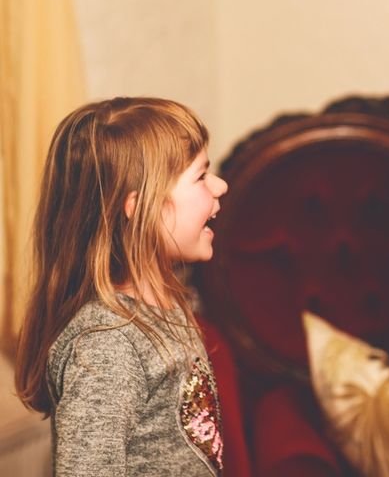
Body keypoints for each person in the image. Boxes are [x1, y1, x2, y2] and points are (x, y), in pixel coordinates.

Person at [15, 97, 229, 476]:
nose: (220, 185)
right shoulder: (108, 344)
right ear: (140, 207)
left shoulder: (167, 304)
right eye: (200, 176)